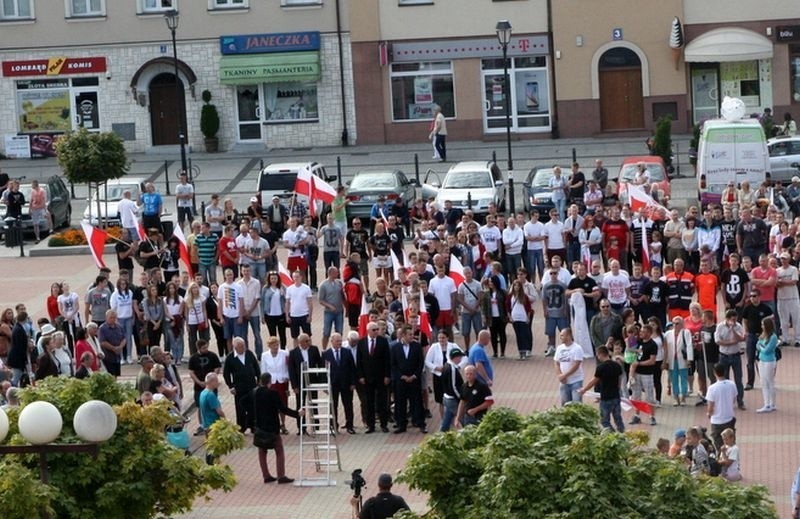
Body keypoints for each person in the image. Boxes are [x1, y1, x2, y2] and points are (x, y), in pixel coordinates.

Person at [253, 372, 302, 484]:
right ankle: (281, 475)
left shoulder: (255, 392)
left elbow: (243, 401)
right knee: (279, 450)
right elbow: (283, 409)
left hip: (260, 427)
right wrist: (297, 414)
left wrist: (253, 416)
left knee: (262, 451)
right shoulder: (273, 393)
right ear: (270, 382)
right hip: (272, 427)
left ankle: (266, 475)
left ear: (260, 381)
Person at [578, 345, 624, 432]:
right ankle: (622, 433)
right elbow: (619, 380)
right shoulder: (617, 365)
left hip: (605, 397)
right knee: (618, 418)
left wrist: (584, 389)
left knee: (604, 420)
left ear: (600, 354)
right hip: (616, 396)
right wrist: (617, 388)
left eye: (597, 355)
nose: (597, 357)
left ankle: (612, 434)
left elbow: (594, 381)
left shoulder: (600, 368)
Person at [390, 325, 426, 434]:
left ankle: (420, 423)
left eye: (412, 334)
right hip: (401, 381)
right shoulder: (395, 348)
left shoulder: (417, 346)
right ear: (404, 335)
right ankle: (401, 424)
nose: (412, 336)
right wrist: (401, 376)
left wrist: (414, 375)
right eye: (410, 334)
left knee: (417, 402)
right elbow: (393, 364)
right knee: (400, 403)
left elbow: (420, 362)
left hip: (414, 380)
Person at [356, 323, 391, 433]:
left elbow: (387, 360)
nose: (376, 331)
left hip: (381, 377)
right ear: (368, 331)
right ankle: (371, 425)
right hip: (367, 378)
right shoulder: (361, 342)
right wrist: (360, 376)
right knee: (369, 402)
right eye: (374, 330)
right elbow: (359, 360)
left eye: (377, 329)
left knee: (382, 402)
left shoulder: (383, 341)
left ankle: (383, 424)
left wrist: (387, 375)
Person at [223, 336, 260, 434]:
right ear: (235, 347)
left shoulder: (249, 354)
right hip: (239, 388)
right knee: (240, 408)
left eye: (243, 346)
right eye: (240, 346)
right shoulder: (230, 358)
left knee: (253, 407)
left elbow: (256, 367)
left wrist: (259, 380)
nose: (243, 348)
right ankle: (241, 427)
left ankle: (253, 426)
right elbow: (226, 373)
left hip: (251, 386)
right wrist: (230, 386)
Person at [288, 333, 323, 434]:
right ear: (301, 342)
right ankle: (301, 428)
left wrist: (320, 380)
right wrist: (294, 386)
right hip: (300, 383)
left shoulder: (314, 349)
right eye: (307, 341)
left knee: (313, 404)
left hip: (312, 381)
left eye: (309, 340)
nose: (309, 342)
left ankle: (316, 426)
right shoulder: (293, 353)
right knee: (300, 405)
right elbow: (291, 371)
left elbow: (319, 364)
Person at [715, 309, 747, 412]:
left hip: (736, 356)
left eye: (735, 319)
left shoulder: (738, 326)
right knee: (725, 380)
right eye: (732, 319)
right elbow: (718, 341)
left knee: (738, 380)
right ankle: (727, 402)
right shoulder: (720, 326)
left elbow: (741, 338)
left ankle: (740, 401)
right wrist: (730, 342)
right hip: (724, 356)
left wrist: (733, 329)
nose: (734, 321)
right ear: (727, 318)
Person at [260, 336, 291, 435]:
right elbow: (263, 370)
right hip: (271, 384)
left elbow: (287, 367)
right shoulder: (265, 355)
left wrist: (287, 377)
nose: (276, 347)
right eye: (274, 345)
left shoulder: (284, 353)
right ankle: (274, 425)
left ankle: (283, 424)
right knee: (272, 405)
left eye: (277, 344)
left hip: (282, 382)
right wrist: (265, 383)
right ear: (269, 346)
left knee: (283, 404)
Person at [628, 324, 658, 426]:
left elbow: (652, 360)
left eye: (643, 332)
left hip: (647, 373)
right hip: (636, 372)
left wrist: (639, 363)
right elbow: (631, 348)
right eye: (640, 331)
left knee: (649, 395)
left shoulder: (653, 345)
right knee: (636, 395)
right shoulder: (639, 341)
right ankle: (637, 415)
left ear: (649, 333)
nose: (641, 333)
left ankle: (652, 416)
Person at [706, 362, 739, 452]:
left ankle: (722, 462)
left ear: (714, 373)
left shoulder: (712, 388)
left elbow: (710, 406)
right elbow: (734, 400)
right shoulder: (731, 384)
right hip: (729, 418)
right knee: (731, 445)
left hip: (717, 421)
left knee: (719, 446)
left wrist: (709, 413)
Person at [664, 316, 694, 406]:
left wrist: (689, 359)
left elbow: (689, 345)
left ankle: (683, 398)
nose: (675, 325)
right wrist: (665, 361)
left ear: (682, 324)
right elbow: (665, 347)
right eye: (673, 323)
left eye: (677, 323)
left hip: (682, 359)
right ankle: (676, 398)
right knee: (674, 379)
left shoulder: (686, 332)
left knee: (684, 379)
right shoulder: (668, 334)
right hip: (672, 360)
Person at [199, 373, 225, 464]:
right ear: (212, 382)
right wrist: (225, 418)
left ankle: (209, 464)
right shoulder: (210, 395)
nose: (218, 383)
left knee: (209, 446)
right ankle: (213, 465)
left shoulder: (203, 393)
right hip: (213, 424)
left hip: (206, 424)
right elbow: (218, 411)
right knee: (215, 448)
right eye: (216, 381)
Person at [553, 328, 584, 405]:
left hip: (576, 381)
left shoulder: (577, 348)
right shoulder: (559, 348)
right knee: (565, 404)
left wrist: (564, 375)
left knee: (577, 404)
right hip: (564, 382)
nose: (561, 337)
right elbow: (556, 362)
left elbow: (576, 365)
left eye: (562, 335)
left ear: (569, 336)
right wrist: (560, 375)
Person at [755, 316, 778, 413]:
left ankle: (772, 404)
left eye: (763, 325)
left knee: (770, 381)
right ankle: (766, 403)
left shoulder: (773, 337)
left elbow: (767, 350)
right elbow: (757, 345)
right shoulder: (763, 335)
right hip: (762, 360)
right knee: (763, 382)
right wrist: (761, 347)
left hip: (769, 361)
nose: (762, 326)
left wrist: (761, 347)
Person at [319, 266, 345, 350]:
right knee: (326, 332)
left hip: (339, 311)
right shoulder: (323, 285)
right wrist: (329, 306)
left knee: (339, 332)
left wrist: (346, 307)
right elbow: (321, 300)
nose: (338, 274)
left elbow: (342, 296)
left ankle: (338, 349)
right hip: (328, 312)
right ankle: (324, 349)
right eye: (336, 272)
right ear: (330, 273)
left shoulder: (339, 283)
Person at [285, 270, 313, 346]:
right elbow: (287, 303)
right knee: (294, 337)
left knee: (308, 336)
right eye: (294, 277)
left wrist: (310, 315)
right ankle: (296, 353)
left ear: (301, 277)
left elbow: (310, 302)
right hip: (293, 315)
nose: (296, 278)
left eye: (297, 277)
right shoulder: (289, 289)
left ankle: (310, 351)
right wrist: (287, 315)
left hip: (304, 315)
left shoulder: (306, 288)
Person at [98, 309, 125, 377]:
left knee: (118, 376)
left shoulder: (119, 327)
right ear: (106, 317)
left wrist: (120, 347)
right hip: (108, 357)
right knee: (111, 377)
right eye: (111, 317)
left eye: (114, 317)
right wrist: (113, 348)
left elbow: (124, 338)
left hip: (117, 357)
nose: (113, 319)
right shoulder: (102, 329)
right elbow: (102, 342)